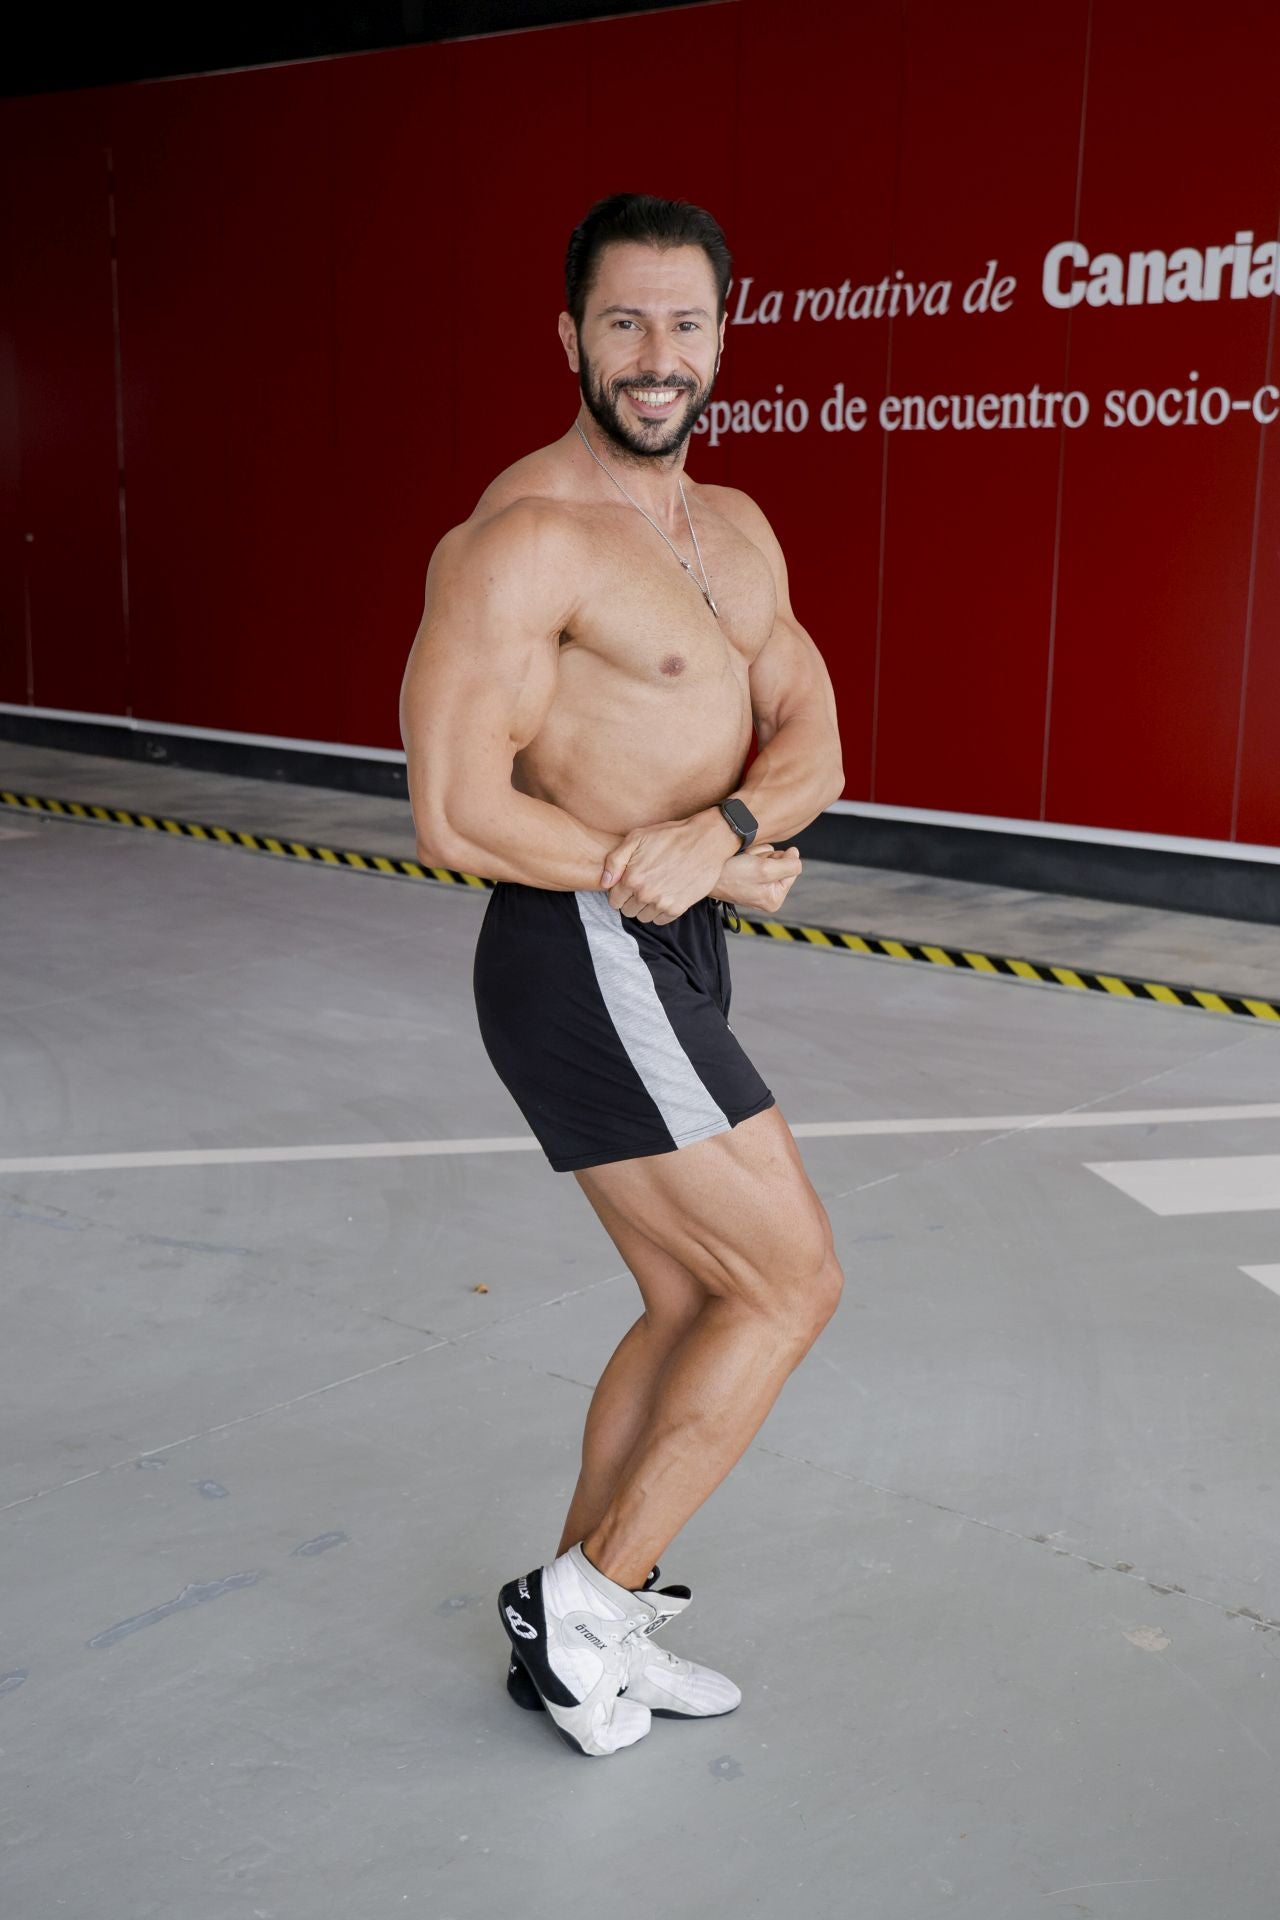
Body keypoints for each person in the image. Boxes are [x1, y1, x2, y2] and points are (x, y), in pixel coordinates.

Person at [399, 193, 846, 1758]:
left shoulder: (736, 530)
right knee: (790, 1283)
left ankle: (585, 1634)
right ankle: (582, 1602)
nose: (657, 355)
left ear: (724, 334)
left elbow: (814, 739)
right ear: (572, 338)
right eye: (624, 322)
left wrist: (727, 832)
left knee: (688, 1294)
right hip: (580, 947)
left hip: (674, 943)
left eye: (684, 322)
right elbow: (456, 810)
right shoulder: (523, 540)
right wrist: (671, 862)